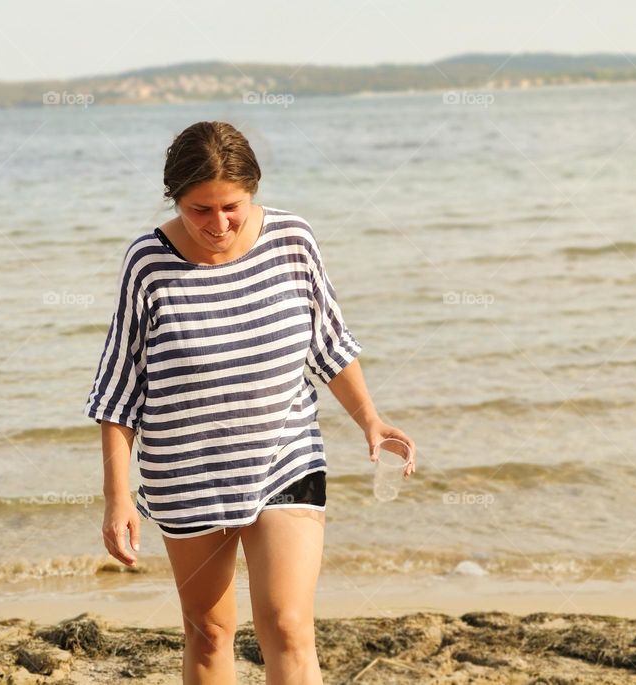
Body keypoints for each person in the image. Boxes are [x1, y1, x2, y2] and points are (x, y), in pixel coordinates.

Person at [84, 120, 416, 685]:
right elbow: (118, 394)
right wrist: (119, 501)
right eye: (199, 210)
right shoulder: (148, 263)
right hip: (186, 476)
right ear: (175, 201)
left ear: (253, 190)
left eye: (231, 207)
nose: (218, 224)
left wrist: (370, 419)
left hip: (285, 459)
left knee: (287, 626)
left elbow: (329, 343)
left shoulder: (293, 240)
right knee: (210, 634)